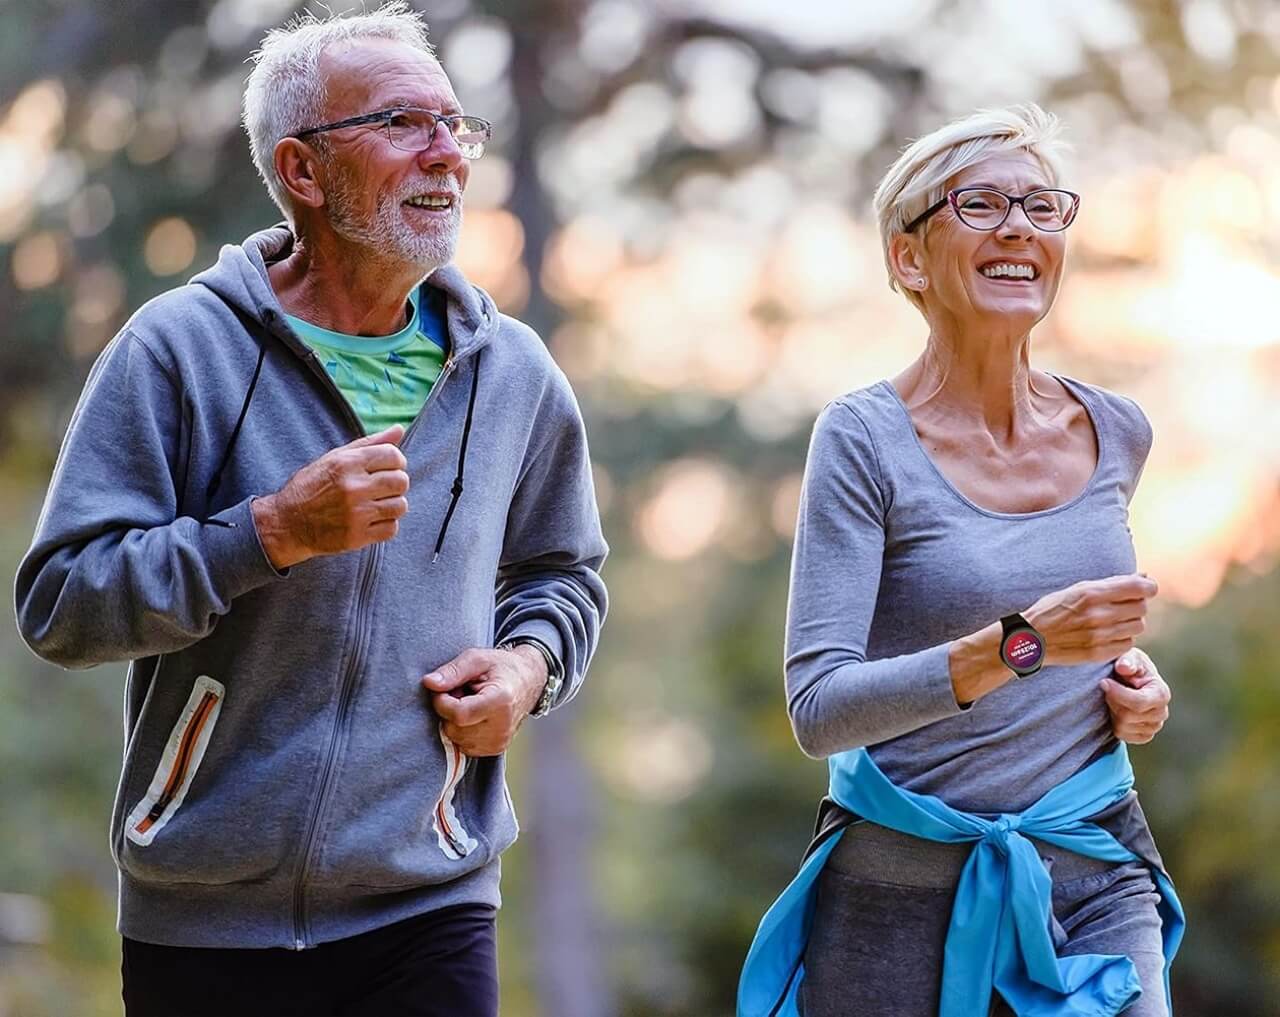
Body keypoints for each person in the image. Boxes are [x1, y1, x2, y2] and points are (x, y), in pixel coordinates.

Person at [14, 5, 607, 1015]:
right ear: (301, 171)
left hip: (430, 896)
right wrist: (269, 534)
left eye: (454, 127)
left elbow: (564, 574)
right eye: (400, 125)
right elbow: (63, 605)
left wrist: (529, 666)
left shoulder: (512, 373)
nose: (445, 157)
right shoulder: (179, 349)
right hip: (203, 911)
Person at [738, 105, 1181, 1017]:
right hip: (898, 892)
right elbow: (819, 708)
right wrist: (1024, 646)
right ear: (910, 258)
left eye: (1042, 206)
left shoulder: (1116, 430)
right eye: (979, 204)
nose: (1019, 225)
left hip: (1096, 869)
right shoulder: (863, 440)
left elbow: (1074, 636)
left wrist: (1133, 681)